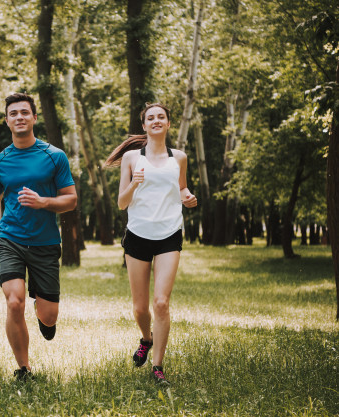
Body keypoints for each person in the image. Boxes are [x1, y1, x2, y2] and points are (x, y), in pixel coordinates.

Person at [0, 92, 77, 381]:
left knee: (48, 318)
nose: (20, 117)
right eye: (14, 113)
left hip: (45, 243)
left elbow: (71, 199)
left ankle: (42, 310)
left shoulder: (54, 156)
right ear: (7, 121)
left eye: (25, 112)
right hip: (10, 239)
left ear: (35, 118)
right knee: (14, 302)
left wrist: (44, 202)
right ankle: (23, 369)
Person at [105, 103, 197, 385]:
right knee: (141, 308)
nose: (156, 121)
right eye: (150, 118)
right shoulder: (133, 157)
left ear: (168, 124)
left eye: (161, 117)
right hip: (138, 234)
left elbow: (181, 187)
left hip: (169, 233)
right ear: (144, 126)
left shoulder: (179, 157)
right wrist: (133, 184)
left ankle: (157, 366)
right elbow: (122, 202)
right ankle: (146, 338)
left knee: (161, 302)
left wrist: (188, 196)